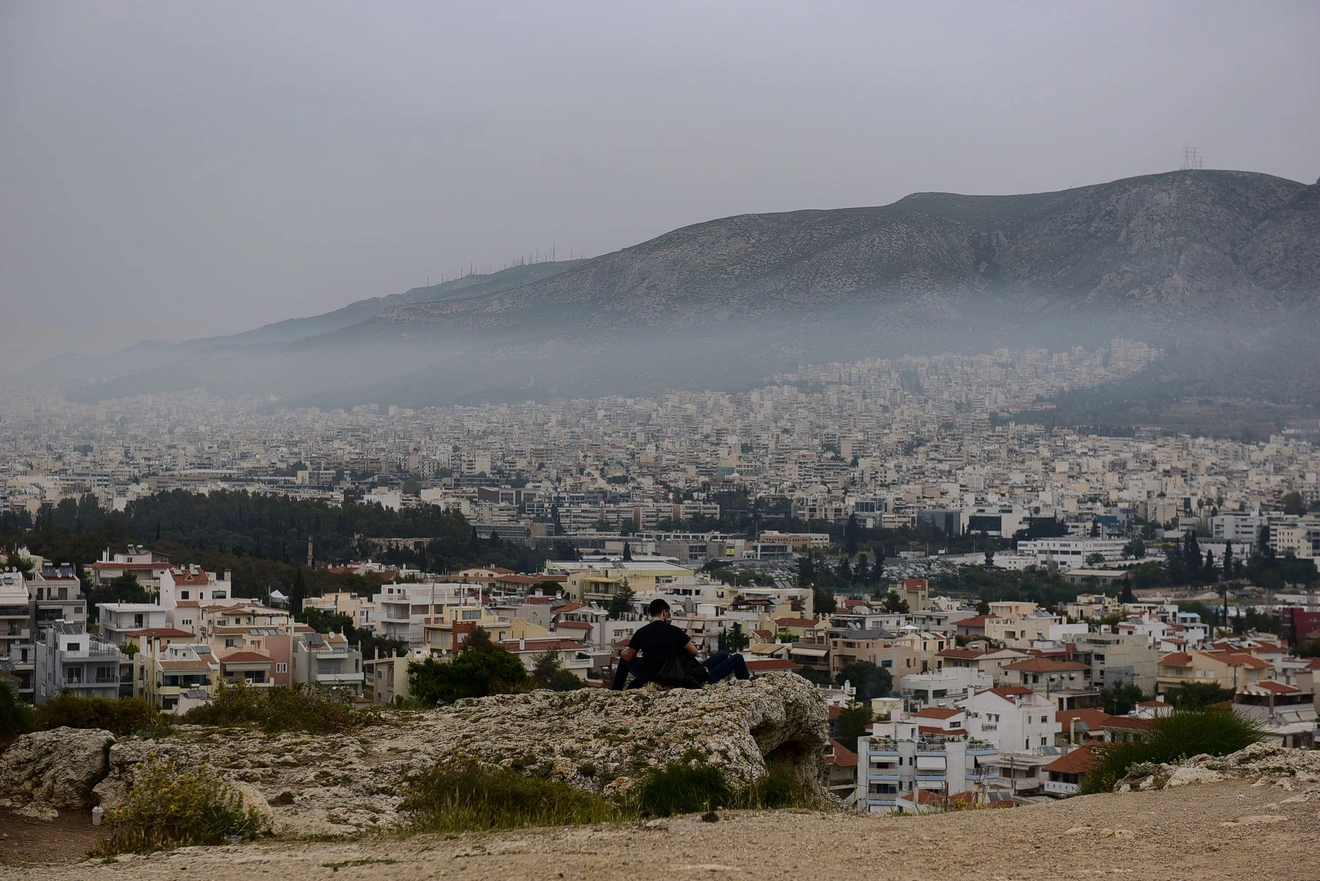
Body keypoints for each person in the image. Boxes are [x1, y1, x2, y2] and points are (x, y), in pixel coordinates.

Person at [611, 597, 750, 689]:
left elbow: (628, 658)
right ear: (664, 612)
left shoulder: (641, 632)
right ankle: (747, 687)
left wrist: (622, 653)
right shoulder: (674, 631)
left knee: (723, 654)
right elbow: (694, 652)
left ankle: (615, 692)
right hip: (678, 673)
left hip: (650, 672)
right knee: (735, 657)